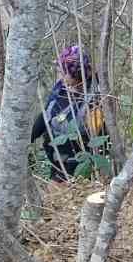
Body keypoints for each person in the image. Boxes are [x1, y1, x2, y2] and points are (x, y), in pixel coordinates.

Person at [30, 45, 109, 181]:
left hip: (81, 169)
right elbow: (46, 115)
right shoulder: (61, 88)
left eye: (63, 72)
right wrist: (28, 137)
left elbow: (98, 138)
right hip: (57, 164)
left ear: (76, 74)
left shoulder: (94, 99)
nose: (60, 75)